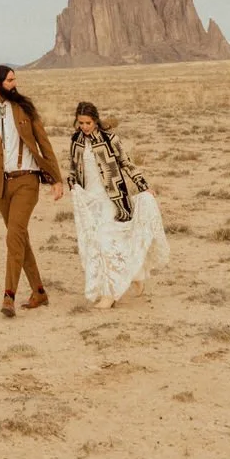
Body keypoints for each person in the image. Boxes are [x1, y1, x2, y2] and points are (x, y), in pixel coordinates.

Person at [0, 65, 64, 318]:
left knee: (14, 236)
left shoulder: (24, 108)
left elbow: (44, 143)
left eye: (15, 79)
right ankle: (39, 291)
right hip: (1, 186)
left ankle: (8, 296)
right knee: (20, 238)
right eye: (10, 80)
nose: (15, 83)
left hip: (27, 181)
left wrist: (57, 179)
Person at [67, 100, 169, 308]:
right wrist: (72, 185)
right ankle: (135, 275)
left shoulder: (109, 139)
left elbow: (127, 163)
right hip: (89, 200)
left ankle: (110, 294)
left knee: (106, 242)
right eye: (80, 123)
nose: (84, 127)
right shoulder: (76, 140)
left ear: (95, 121)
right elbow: (72, 169)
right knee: (96, 243)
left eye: (87, 122)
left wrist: (143, 186)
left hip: (111, 199)